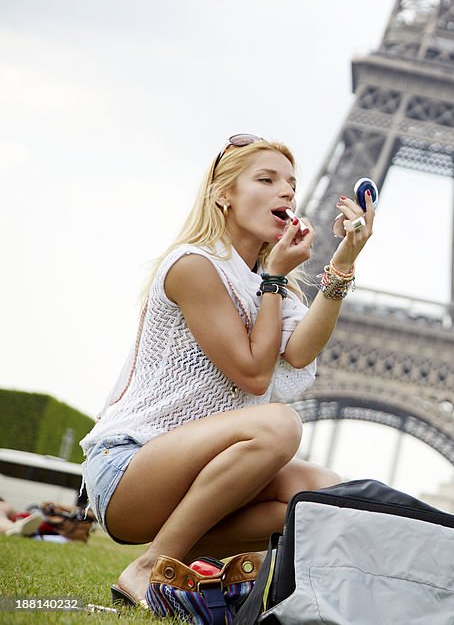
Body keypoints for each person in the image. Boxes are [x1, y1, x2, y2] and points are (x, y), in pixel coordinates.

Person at [77, 134, 374, 608]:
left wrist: (343, 261)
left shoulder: (272, 288)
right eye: (267, 179)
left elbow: (297, 354)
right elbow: (254, 376)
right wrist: (275, 279)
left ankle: (195, 566)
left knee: (325, 495)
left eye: (291, 185)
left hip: (199, 477)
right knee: (278, 425)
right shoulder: (194, 265)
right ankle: (154, 564)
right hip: (130, 470)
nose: (287, 193)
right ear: (223, 194)